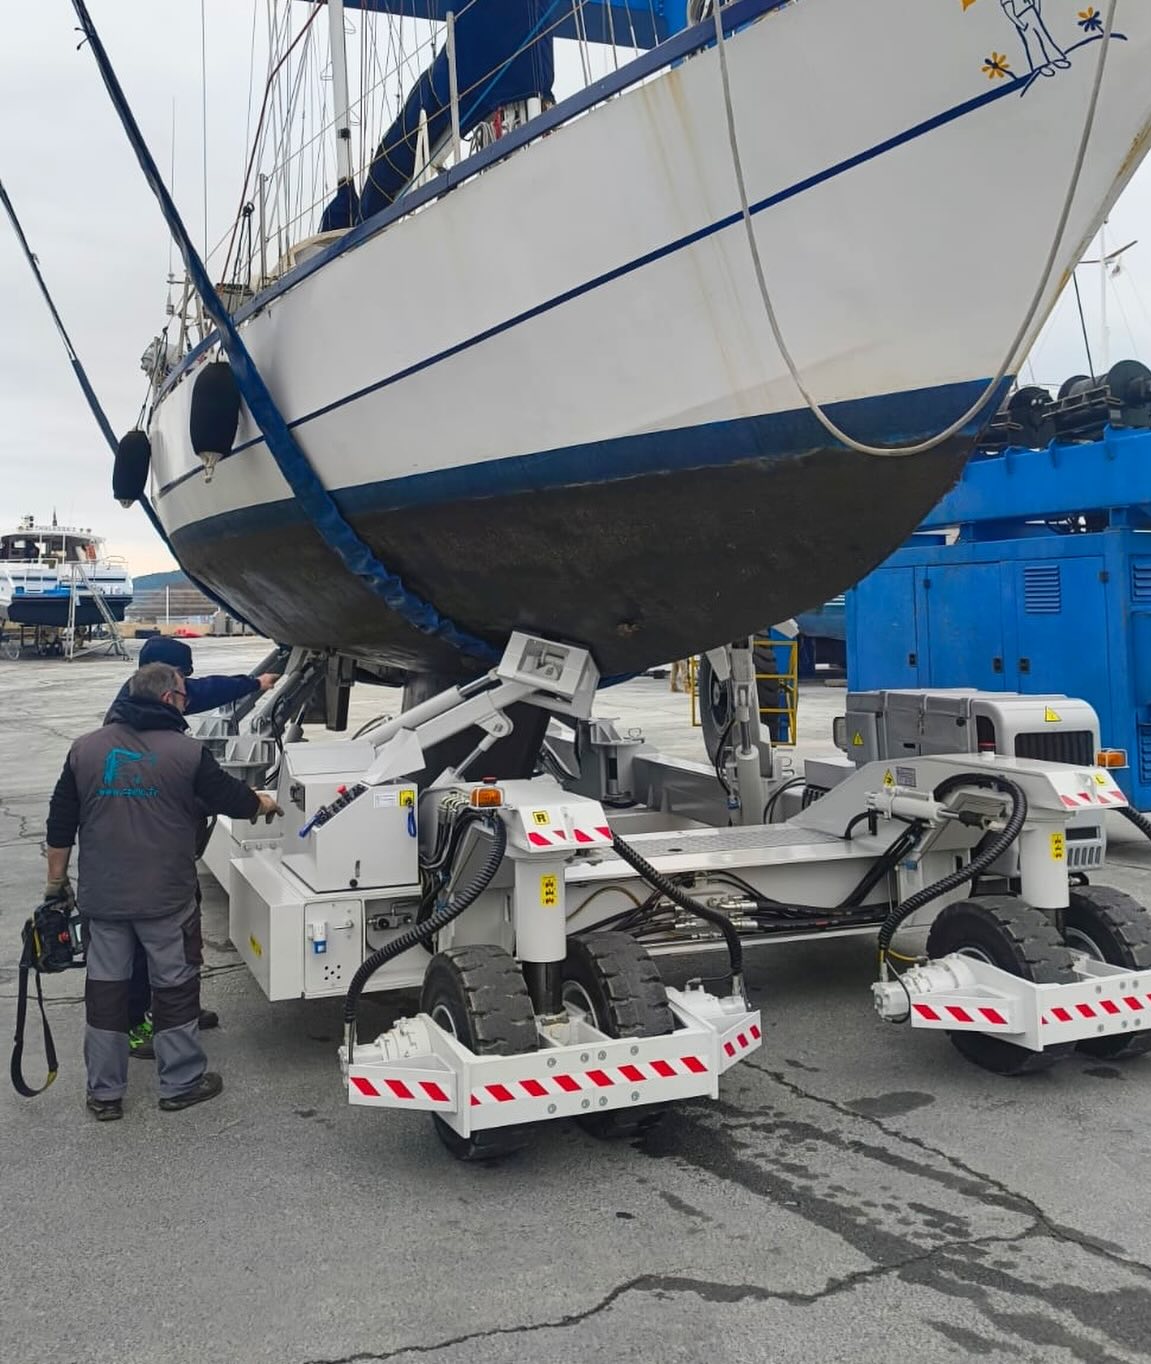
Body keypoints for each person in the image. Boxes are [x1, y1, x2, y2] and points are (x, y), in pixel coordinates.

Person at [44, 662, 280, 1120]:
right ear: (169, 699)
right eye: (184, 696)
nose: (187, 703)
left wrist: (56, 885)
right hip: (166, 901)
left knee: (106, 992)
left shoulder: (84, 749)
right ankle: (180, 1084)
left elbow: (60, 824)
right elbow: (234, 800)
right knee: (174, 989)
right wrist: (263, 802)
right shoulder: (187, 753)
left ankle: (104, 1093)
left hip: (104, 900)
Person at [106, 636, 280, 1057]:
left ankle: (177, 1011)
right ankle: (137, 1026)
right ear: (168, 685)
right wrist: (253, 802)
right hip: (148, 858)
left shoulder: (136, 709)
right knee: (147, 947)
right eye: (184, 680)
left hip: (159, 854)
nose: (189, 692)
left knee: (181, 942)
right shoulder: (147, 730)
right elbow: (203, 783)